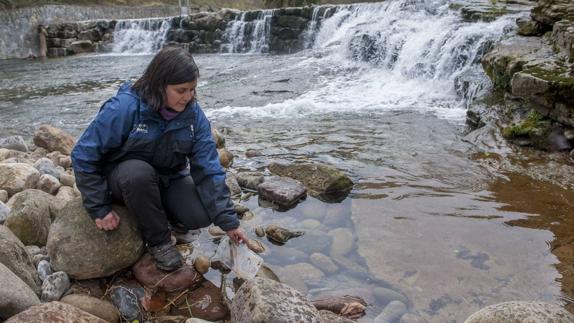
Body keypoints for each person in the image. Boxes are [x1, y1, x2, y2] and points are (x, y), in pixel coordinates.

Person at [71, 47, 247, 272]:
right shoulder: (125, 107)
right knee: (137, 174)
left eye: (192, 89)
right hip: (124, 179)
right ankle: (159, 241)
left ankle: (158, 215)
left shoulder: (194, 116)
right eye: (181, 90)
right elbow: (83, 155)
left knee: (200, 215)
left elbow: (208, 168)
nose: (188, 97)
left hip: (167, 177)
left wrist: (229, 222)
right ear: (158, 84)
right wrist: (99, 207)